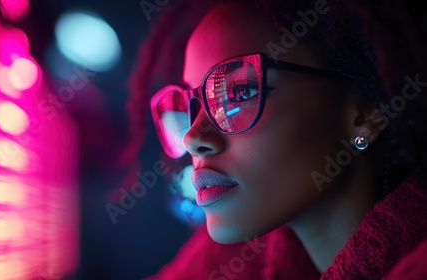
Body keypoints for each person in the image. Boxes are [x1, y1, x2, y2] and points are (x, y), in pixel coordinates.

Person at [127, 0, 427, 278]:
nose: (193, 137)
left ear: (364, 114)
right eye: (192, 104)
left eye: (241, 93)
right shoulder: (243, 256)